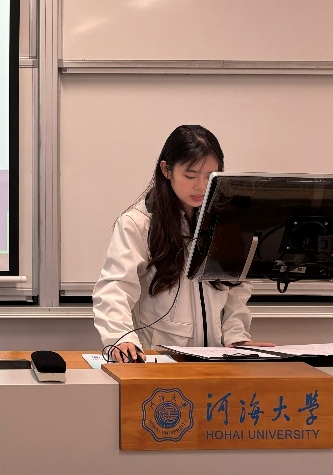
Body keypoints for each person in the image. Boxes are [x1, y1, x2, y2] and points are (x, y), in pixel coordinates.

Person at [94, 124, 261, 363]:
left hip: (217, 359)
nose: (201, 186)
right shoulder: (139, 223)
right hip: (160, 358)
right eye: (190, 176)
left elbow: (236, 287)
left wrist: (236, 336)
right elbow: (115, 288)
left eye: (210, 176)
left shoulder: (226, 221)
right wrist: (121, 338)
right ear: (166, 170)